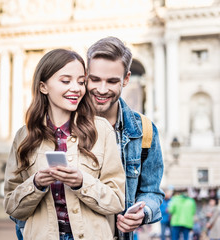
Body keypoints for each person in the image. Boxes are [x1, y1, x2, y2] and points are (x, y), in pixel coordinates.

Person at [3, 49, 126, 239]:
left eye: (81, 81)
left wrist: (82, 182)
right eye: (66, 81)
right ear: (43, 87)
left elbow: (117, 201)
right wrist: (35, 184)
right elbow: (12, 207)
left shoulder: (101, 130)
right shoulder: (24, 136)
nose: (76, 88)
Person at [86, 36, 165, 240]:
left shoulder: (145, 130)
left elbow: (152, 192)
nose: (102, 90)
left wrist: (143, 211)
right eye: (95, 79)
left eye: (112, 81)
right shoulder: (64, 125)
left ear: (126, 79)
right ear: (85, 76)